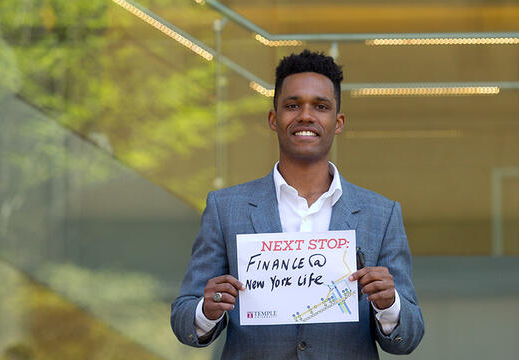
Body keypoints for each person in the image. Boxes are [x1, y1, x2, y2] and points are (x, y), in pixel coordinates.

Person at [171, 50, 424, 359]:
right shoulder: (225, 208)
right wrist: (206, 311)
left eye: (320, 106)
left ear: (338, 121)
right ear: (273, 119)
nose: (306, 115)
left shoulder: (381, 214)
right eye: (292, 105)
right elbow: (184, 317)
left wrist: (390, 305)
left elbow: (408, 336)